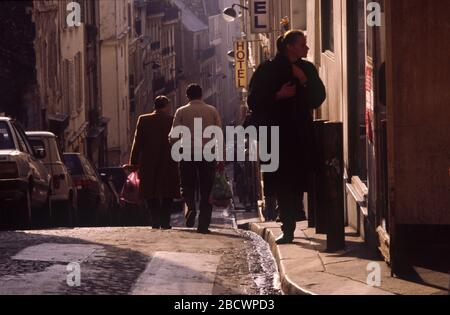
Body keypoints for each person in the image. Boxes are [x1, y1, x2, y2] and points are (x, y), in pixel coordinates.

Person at [247, 30, 325, 244]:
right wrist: (277, 96)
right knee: (281, 181)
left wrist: (304, 81)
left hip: (299, 133)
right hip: (275, 134)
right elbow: (252, 101)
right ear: (290, 46)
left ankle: (293, 217)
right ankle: (288, 226)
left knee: (297, 179)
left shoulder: (306, 68)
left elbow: (318, 98)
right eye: (303, 44)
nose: (307, 48)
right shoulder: (267, 69)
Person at [169, 84, 222, 234]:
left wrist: (176, 148)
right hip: (207, 154)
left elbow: (173, 135)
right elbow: (219, 135)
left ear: (187, 96)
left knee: (187, 185)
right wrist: (221, 158)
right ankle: (203, 225)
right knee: (207, 189)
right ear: (202, 95)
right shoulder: (212, 111)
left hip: (187, 153)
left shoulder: (181, 111)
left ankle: (191, 208)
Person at [127, 96, 180, 229]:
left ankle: (155, 220)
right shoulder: (172, 121)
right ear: (166, 106)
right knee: (167, 193)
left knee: (151, 192)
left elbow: (137, 142)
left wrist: (133, 162)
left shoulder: (144, 119)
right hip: (169, 161)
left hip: (149, 162)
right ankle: (165, 222)